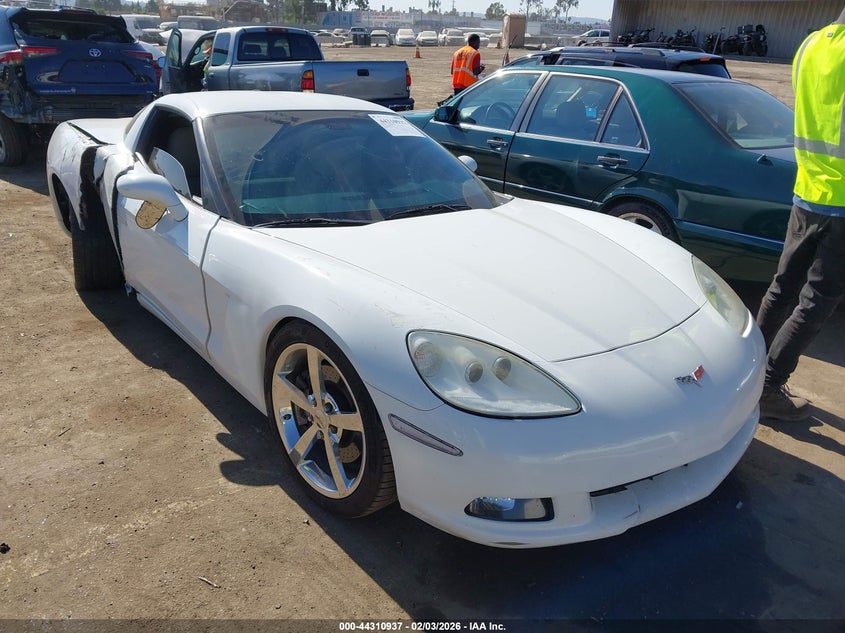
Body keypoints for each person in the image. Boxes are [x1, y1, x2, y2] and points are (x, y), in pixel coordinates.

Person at [755, 6, 845, 421]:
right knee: (817, 300)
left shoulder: (810, 44)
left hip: (807, 190)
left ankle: (745, 375)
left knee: (783, 287)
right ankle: (769, 388)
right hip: (842, 202)